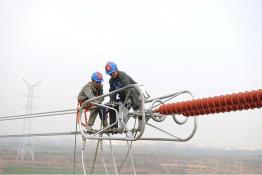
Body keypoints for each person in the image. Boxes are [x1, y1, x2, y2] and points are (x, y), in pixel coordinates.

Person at [105, 61, 141, 130]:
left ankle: (138, 109)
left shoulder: (122, 75)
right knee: (112, 105)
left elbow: (127, 87)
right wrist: (112, 101)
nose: (112, 75)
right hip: (123, 97)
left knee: (132, 89)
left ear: (116, 69)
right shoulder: (111, 81)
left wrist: (127, 101)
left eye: (113, 73)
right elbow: (112, 92)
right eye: (110, 74)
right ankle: (113, 126)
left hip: (133, 95)